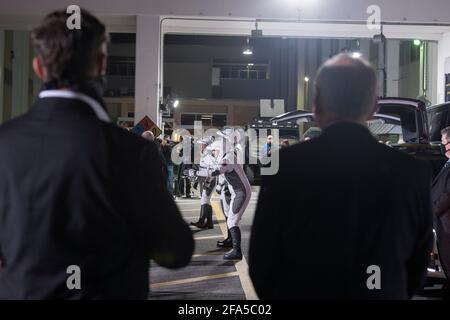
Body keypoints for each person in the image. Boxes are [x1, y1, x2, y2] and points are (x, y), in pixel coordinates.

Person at [0, 9, 194, 299]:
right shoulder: (131, 153)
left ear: (39, 68)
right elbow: (175, 251)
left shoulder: (5, 142)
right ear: (101, 63)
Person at [249, 53, 433, 299]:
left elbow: (263, 262)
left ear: (316, 103)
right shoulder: (412, 172)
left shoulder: (285, 166)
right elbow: (417, 266)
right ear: (373, 108)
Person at [186, 129, 252, 260]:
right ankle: (232, 244)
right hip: (237, 191)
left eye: (222, 140)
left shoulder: (229, 157)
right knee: (230, 218)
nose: (214, 150)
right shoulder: (229, 155)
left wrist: (195, 173)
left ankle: (237, 251)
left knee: (232, 220)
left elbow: (214, 172)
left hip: (241, 192)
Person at [431, 126, 450, 282]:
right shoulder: (447, 164)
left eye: (445, 142)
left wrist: (432, 210)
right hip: (443, 227)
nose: (443, 146)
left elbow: (447, 196)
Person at [190, 136, 216, 229]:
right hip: (206, 179)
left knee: (204, 200)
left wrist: (208, 182)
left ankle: (201, 221)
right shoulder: (205, 154)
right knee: (206, 201)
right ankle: (209, 222)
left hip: (210, 180)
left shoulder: (209, 156)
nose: (201, 146)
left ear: (207, 145)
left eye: (203, 144)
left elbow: (213, 171)